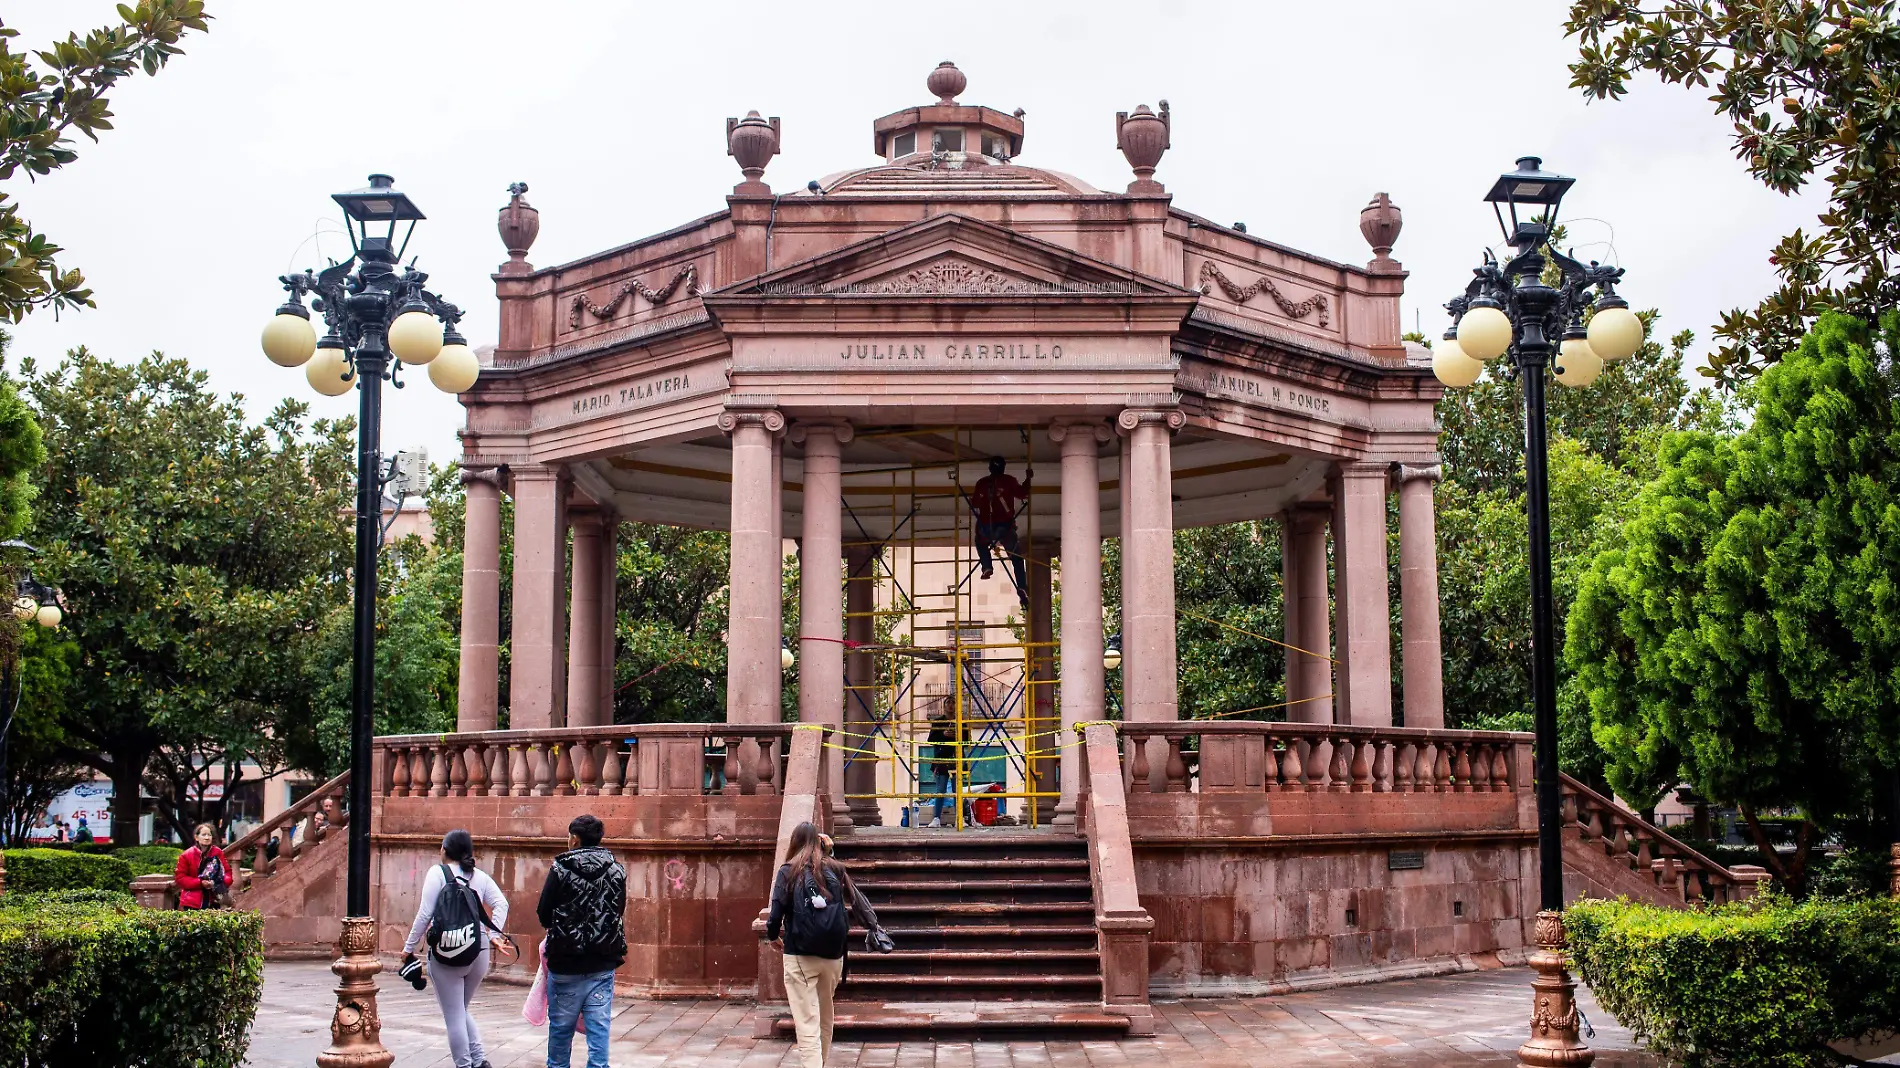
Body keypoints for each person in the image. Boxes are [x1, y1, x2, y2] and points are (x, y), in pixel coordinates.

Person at [764, 822, 886, 1068]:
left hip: (800, 954)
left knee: (807, 1021)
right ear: (821, 843)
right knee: (824, 1016)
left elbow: (776, 911)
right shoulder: (835, 867)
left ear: (794, 842)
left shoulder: (788, 871)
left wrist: (772, 935)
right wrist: (829, 853)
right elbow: (835, 885)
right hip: (833, 956)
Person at [403, 829, 510, 1068]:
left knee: (453, 1015)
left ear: (445, 850)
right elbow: (501, 903)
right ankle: (480, 1061)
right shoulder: (479, 877)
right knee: (460, 1009)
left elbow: (424, 914)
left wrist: (408, 947)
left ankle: (464, 1065)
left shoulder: (437, 873)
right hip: (478, 949)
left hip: (446, 952)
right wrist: (493, 934)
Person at [536, 814, 625, 1068]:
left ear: (574, 839)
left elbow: (544, 912)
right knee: (599, 1032)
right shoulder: (616, 869)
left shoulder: (560, 869)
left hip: (566, 962)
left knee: (561, 1032)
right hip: (603, 962)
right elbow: (618, 910)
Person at [967, 456, 1030, 605]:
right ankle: (1021, 586)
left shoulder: (982, 483)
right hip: (1005, 528)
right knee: (1016, 558)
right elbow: (1023, 494)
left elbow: (975, 503)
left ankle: (987, 566)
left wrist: (974, 498)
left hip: (985, 528)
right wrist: (1028, 479)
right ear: (1003, 467)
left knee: (980, 543)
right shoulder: (1009, 481)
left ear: (989, 468)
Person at [923, 703, 969, 828]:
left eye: (953, 702)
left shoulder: (961, 722)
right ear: (944, 706)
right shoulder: (938, 722)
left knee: (957, 790)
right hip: (941, 759)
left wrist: (957, 736)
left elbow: (967, 740)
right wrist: (943, 735)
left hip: (956, 759)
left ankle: (959, 818)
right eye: (948, 703)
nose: (951, 705)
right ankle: (936, 818)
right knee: (941, 790)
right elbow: (931, 740)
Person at [174, 823, 230, 909]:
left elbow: (228, 873)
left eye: (209, 835)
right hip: (191, 902)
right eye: (203, 835)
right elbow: (180, 878)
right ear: (196, 837)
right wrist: (200, 883)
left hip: (214, 899)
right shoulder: (187, 855)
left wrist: (217, 883)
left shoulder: (218, 852)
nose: (207, 838)